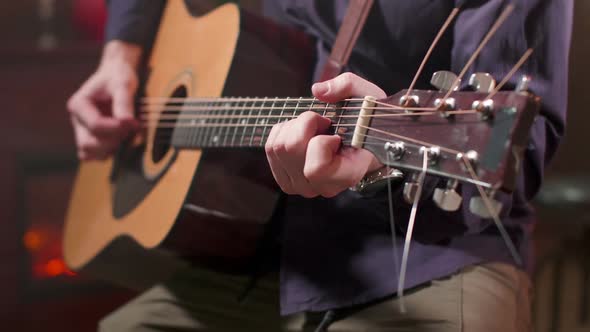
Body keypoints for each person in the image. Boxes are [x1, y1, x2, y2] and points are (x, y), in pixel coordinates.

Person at [67, 0, 573, 331]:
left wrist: (376, 161)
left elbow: (515, 144)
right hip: (264, 248)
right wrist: (121, 55)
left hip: (422, 255)